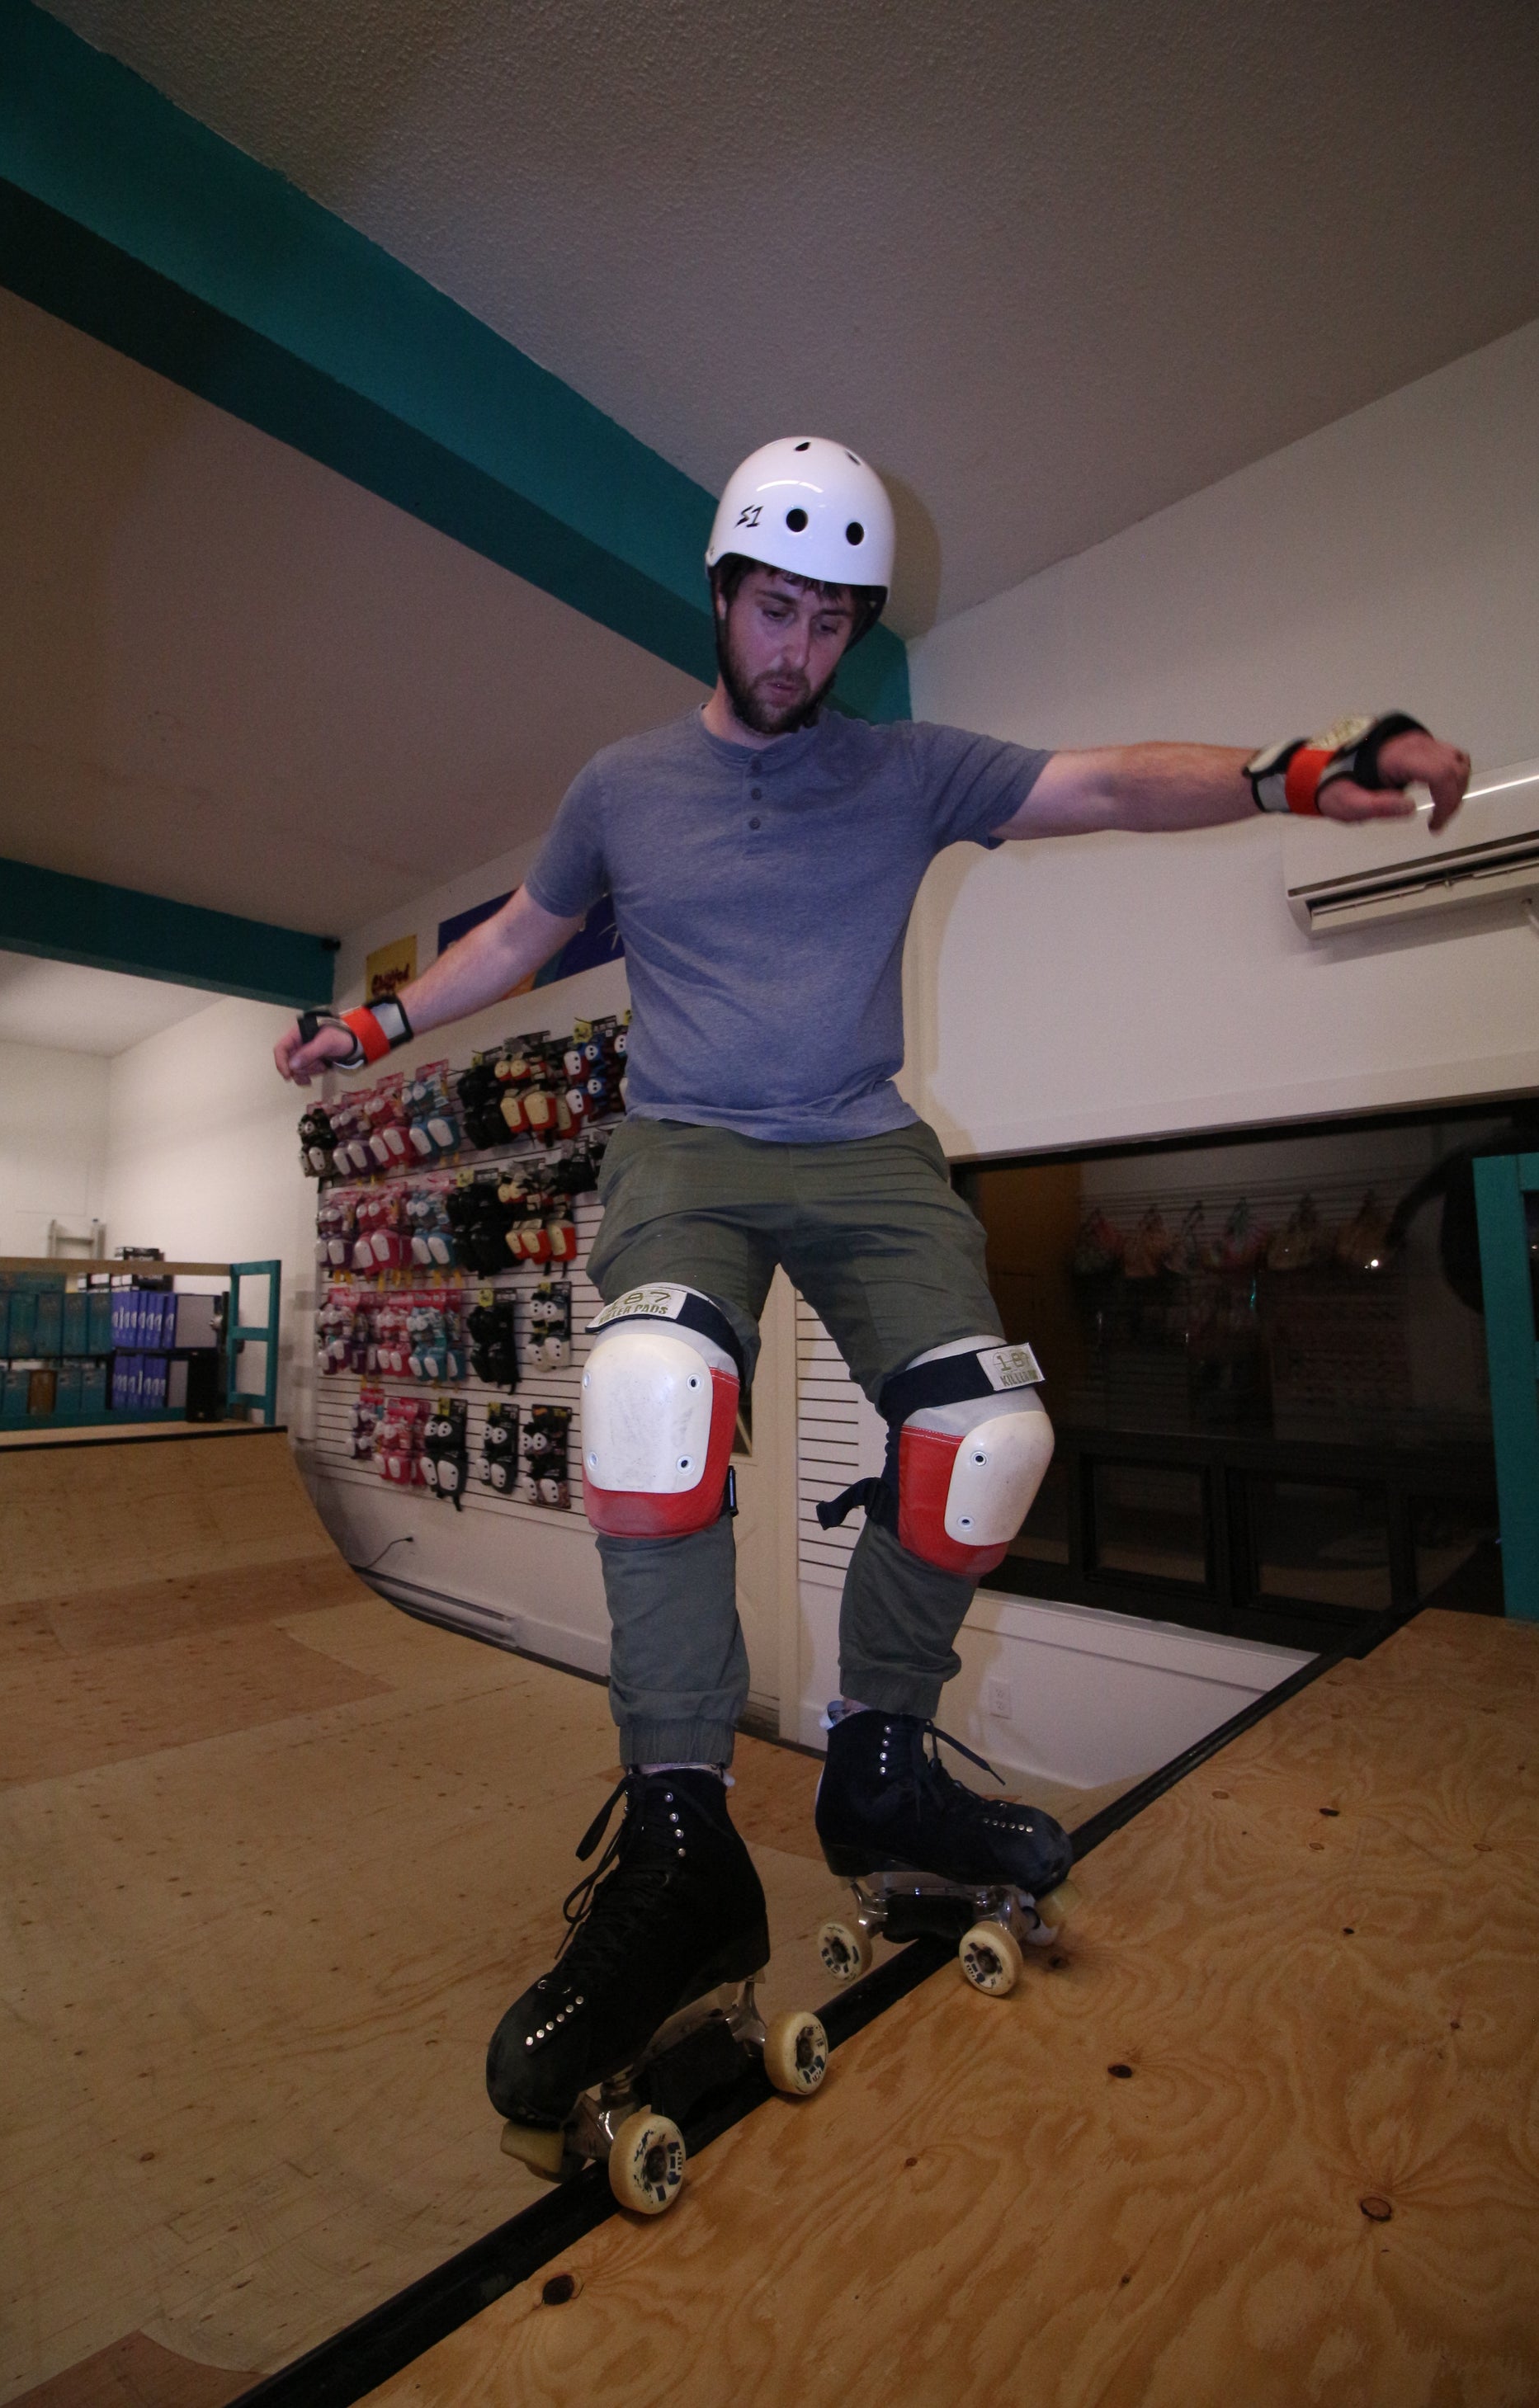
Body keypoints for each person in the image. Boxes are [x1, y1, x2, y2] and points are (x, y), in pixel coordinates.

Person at [276, 436, 1471, 2131]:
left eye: (833, 623)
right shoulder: (622, 780)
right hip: (683, 1142)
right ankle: (682, 1835)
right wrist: (376, 1026)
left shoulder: (907, 764)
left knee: (990, 1433)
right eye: (775, 611)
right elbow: (515, 940)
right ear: (718, 593)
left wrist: (1290, 768)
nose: (800, 654)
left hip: (858, 1145)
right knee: (649, 1393)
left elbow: (1110, 784)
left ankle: (883, 1765)